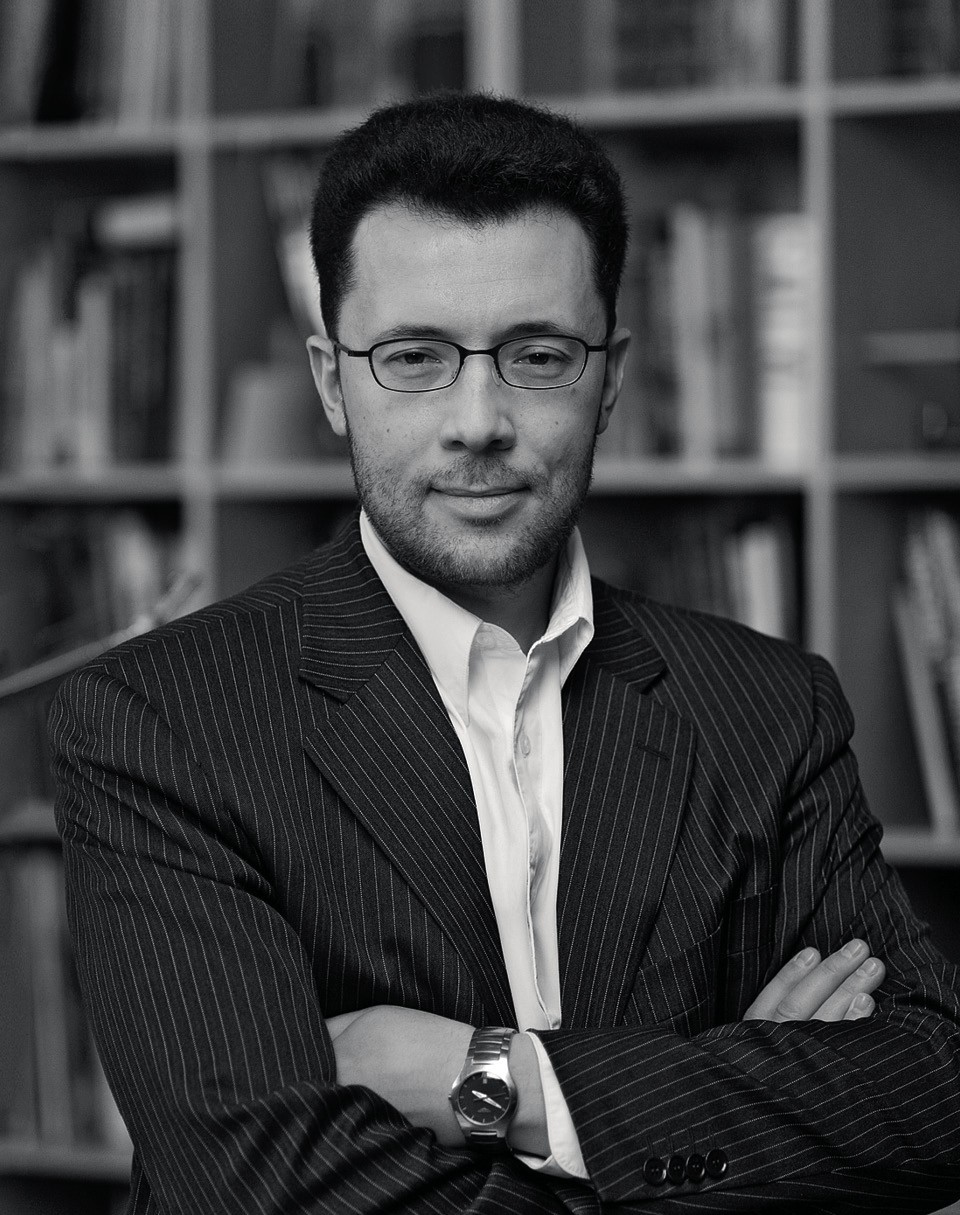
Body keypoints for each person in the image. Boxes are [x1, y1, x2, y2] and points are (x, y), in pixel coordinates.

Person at [50, 92, 960, 1215]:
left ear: (610, 377)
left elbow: (932, 1092)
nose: (477, 419)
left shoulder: (768, 707)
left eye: (536, 355)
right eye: (414, 357)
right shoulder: (159, 720)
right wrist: (714, 1125)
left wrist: (490, 1080)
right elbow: (266, 1189)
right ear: (333, 381)